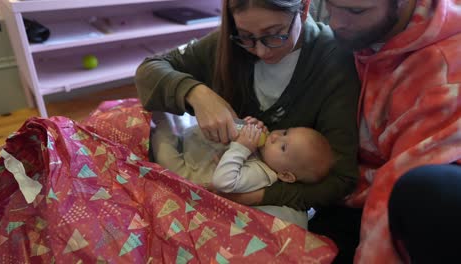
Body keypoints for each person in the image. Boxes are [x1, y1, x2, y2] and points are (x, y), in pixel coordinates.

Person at [136, 0, 360, 244]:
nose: (262, 51)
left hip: (263, 202)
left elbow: (341, 179)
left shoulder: (333, 60)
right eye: (246, 37)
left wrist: (256, 196)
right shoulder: (228, 44)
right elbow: (150, 69)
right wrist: (197, 93)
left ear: (304, 9)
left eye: (274, 35)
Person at [319, 0, 461, 263]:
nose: (335, 22)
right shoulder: (365, 30)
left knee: (426, 193)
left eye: (355, 10)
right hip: (363, 183)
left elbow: (396, 181)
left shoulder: (444, 68)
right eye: (329, 5)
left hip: (421, 194)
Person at [152, 115, 334, 194]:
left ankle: (159, 122)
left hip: (189, 175)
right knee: (180, 122)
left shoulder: (263, 174)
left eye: (283, 147)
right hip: (197, 153)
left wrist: (242, 148)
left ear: (285, 175)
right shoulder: (266, 152)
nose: (276, 136)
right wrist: (246, 125)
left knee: (162, 138)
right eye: (286, 132)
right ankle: (169, 122)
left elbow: (223, 182)